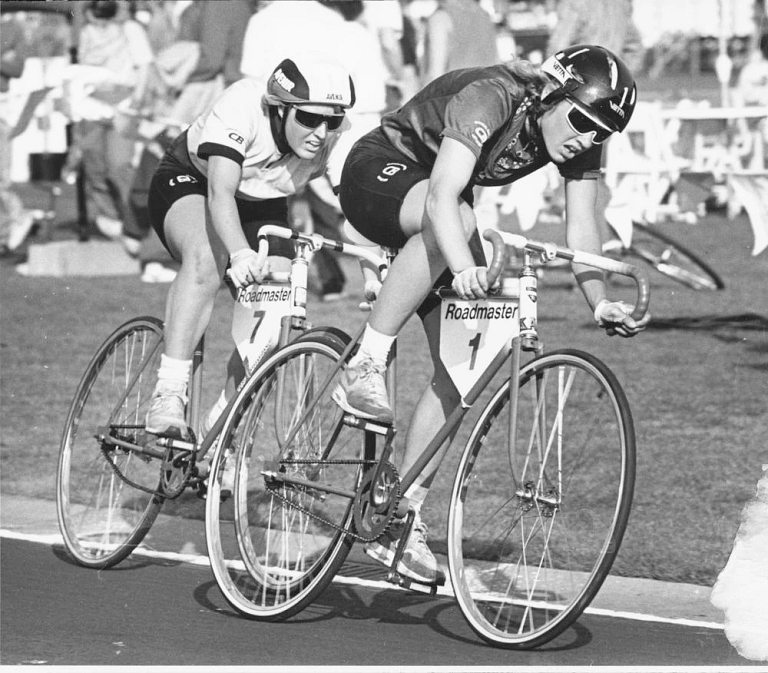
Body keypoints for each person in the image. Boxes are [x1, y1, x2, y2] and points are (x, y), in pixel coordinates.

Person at [334, 44, 651, 585]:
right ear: (553, 92)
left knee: (468, 361)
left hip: (442, 204)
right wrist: (460, 269)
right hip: (378, 172)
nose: (587, 138)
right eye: (581, 120)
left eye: (603, 133)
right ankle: (363, 362)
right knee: (454, 221)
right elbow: (440, 199)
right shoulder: (491, 95)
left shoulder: (578, 138)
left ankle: (399, 514)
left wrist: (598, 299)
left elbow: (581, 230)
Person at [144, 56, 355, 440]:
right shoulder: (243, 104)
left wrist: (375, 270)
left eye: (333, 120)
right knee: (208, 258)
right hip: (193, 182)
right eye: (308, 119)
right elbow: (220, 193)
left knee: (275, 317)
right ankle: (169, 392)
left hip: (262, 204)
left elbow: (354, 209)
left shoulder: (334, 134)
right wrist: (240, 253)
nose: (322, 132)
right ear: (279, 108)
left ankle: (220, 426)